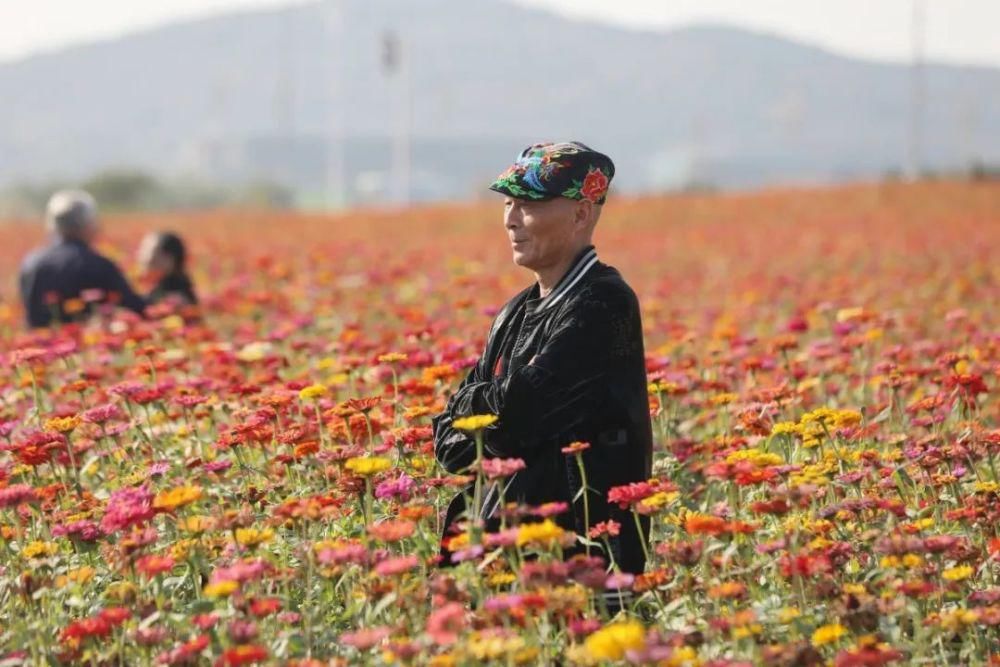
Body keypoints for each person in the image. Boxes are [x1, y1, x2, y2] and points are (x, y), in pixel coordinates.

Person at [433, 141, 653, 576]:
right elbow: (448, 444)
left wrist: (479, 408)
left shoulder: (602, 304)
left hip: (579, 561)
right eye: (509, 203)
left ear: (580, 214)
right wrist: (485, 410)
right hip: (502, 554)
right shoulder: (515, 312)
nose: (511, 220)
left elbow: (521, 417)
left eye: (529, 204)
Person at [18, 189, 146, 328]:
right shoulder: (97, 264)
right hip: (83, 343)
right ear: (88, 224)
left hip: (38, 342)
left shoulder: (31, 263)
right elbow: (135, 307)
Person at [138, 231, 198, 307]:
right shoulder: (156, 290)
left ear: (169, 259)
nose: (142, 257)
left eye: (148, 251)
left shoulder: (176, 299)